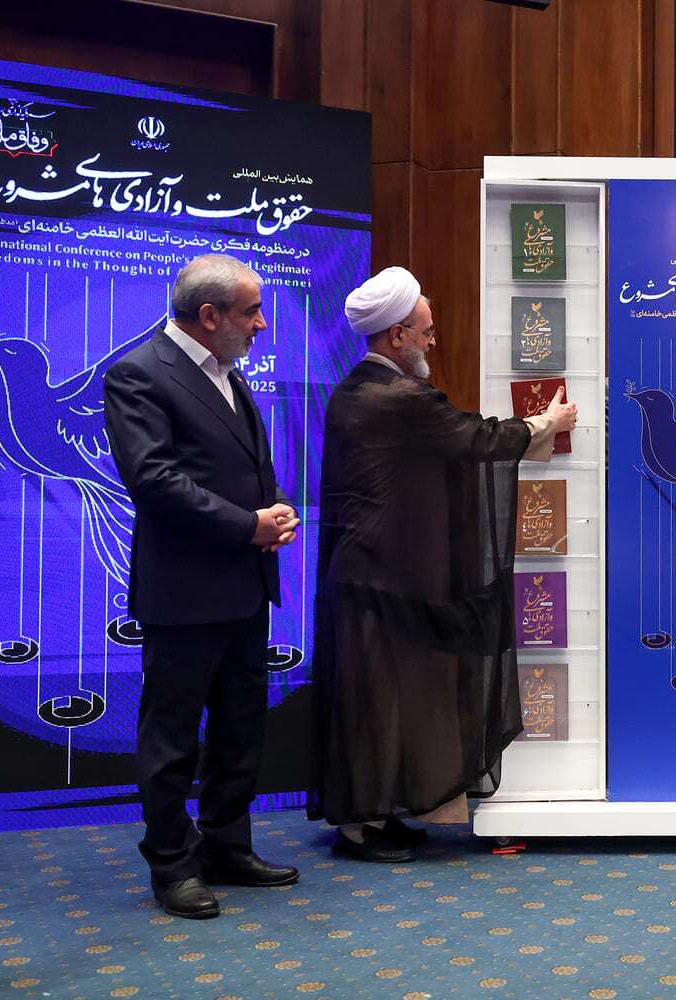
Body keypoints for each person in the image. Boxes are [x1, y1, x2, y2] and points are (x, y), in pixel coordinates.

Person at [307, 266, 576, 862]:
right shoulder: (398, 398)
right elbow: (473, 438)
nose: (433, 341)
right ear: (397, 335)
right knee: (375, 703)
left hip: (375, 574)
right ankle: (361, 826)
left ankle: (376, 813)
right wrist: (547, 424)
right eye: (426, 332)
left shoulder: (356, 390)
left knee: (383, 700)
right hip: (380, 577)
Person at [103, 254, 301, 920]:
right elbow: (154, 481)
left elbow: (242, 465)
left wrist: (273, 510)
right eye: (252, 311)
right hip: (184, 594)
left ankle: (227, 848)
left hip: (244, 587)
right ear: (210, 315)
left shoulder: (228, 372)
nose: (262, 324)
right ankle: (172, 866)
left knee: (240, 730)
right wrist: (249, 525)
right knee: (173, 740)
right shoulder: (138, 373)